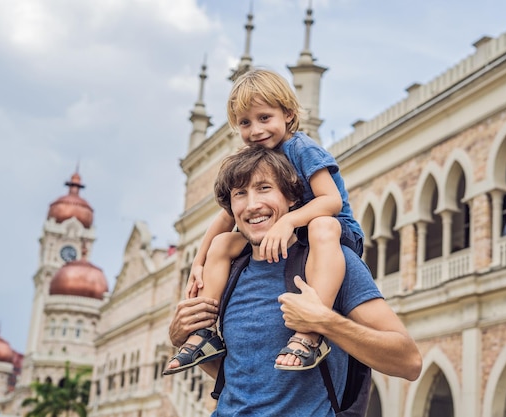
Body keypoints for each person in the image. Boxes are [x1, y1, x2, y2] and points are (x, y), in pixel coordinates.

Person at [167, 146, 422, 416]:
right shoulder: (229, 272)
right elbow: (240, 376)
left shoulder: (334, 262)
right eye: (240, 194)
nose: (252, 205)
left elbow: (409, 362)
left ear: (290, 197)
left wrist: (325, 322)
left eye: (264, 188)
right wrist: (181, 337)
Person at [164, 68, 364, 374]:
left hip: (334, 232)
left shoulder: (301, 148)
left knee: (321, 224)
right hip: (293, 230)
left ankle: (310, 332)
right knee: (223, 242)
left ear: (288, 114)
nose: (256, 130)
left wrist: (287, 222)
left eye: (264, 118)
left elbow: (330, 201)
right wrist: (199, 263)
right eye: (245, 122)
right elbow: (226, 217)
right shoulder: (256, 158)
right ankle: (205, 332)